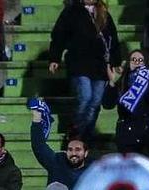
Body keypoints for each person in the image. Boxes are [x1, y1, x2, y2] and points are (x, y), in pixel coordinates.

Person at [48, 0, 120, 140]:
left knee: (96, 101)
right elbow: (59, 35)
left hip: (99, 66)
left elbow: (113, 39)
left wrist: (115, 61)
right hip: (79, 63)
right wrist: (54, 58)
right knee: (85, 97)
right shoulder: (71, 12)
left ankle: (86, 135)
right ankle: (76, 132)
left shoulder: (104, 13)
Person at [102, 49, 149, 157]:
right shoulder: (122, 80)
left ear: (145, 63)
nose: (137, 62)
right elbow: (107, 104)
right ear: (128, 62)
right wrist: (113, 82)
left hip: (147, 133)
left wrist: (146, 83)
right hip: (126, 133)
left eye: (140, 60)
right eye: (133, 59)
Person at [30, 102, 91, 190]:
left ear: (86, 153)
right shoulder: (57, 162)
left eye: (78, 150)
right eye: (70, 149)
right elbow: (38, 145)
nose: (73, 153)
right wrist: (37, 117)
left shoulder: (92, 172)